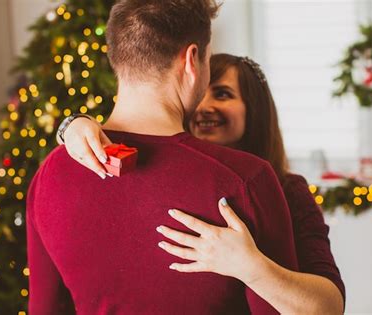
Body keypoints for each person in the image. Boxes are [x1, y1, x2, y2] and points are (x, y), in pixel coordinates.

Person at [27, 1, 298, 314]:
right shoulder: (247, 179)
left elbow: (44, 308)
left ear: (116, 57)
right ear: (192, 60)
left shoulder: (50, 174)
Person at [58, 54, 346, 314]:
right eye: (201, 96)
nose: (205, 107)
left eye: (222, 94)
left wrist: (251, 266)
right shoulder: (169, 176)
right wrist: (72, 125)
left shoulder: (289, 189)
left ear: (254, 109)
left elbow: (329, 306)